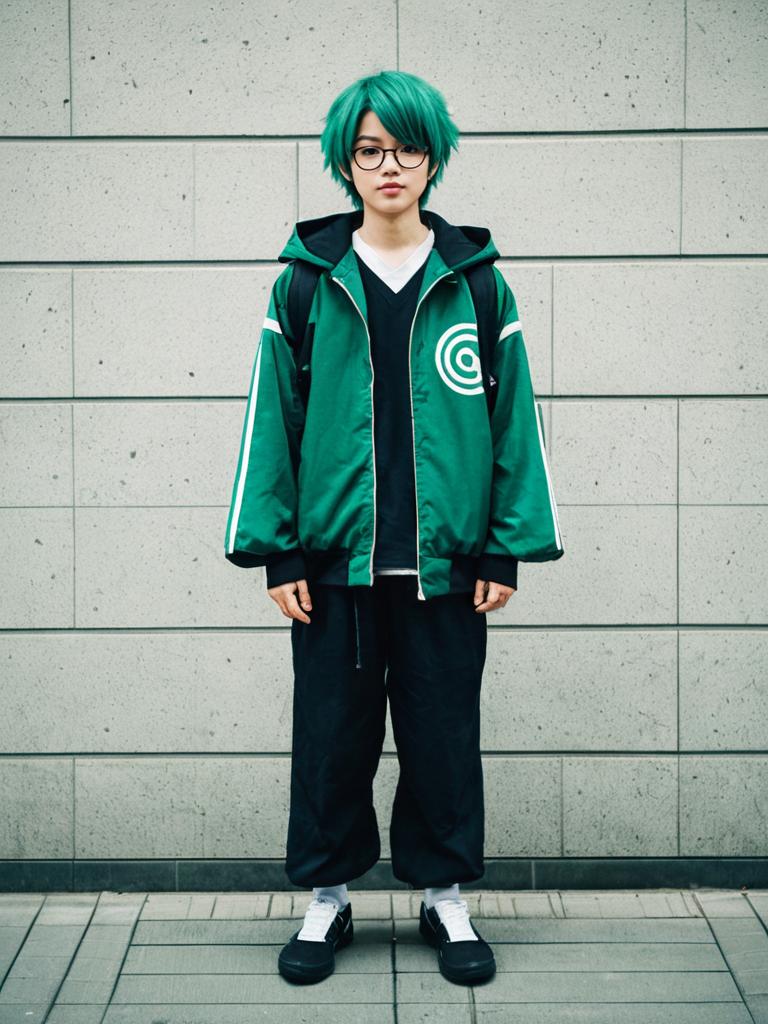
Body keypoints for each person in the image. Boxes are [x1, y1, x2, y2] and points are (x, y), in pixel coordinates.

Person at [224, 70, 564, 986]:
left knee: (443, 738)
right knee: (330, 739)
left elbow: (514, 423)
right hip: (332, 567)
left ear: (432, 159)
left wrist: (506, 545)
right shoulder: (305, 283)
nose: (389, 165)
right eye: (370, 148)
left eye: (408, 148)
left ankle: (442, 897)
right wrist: (277, 551)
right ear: (346, 161)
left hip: (447, 567)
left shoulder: (477, 283)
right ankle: (327, 899)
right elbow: (271, 422)